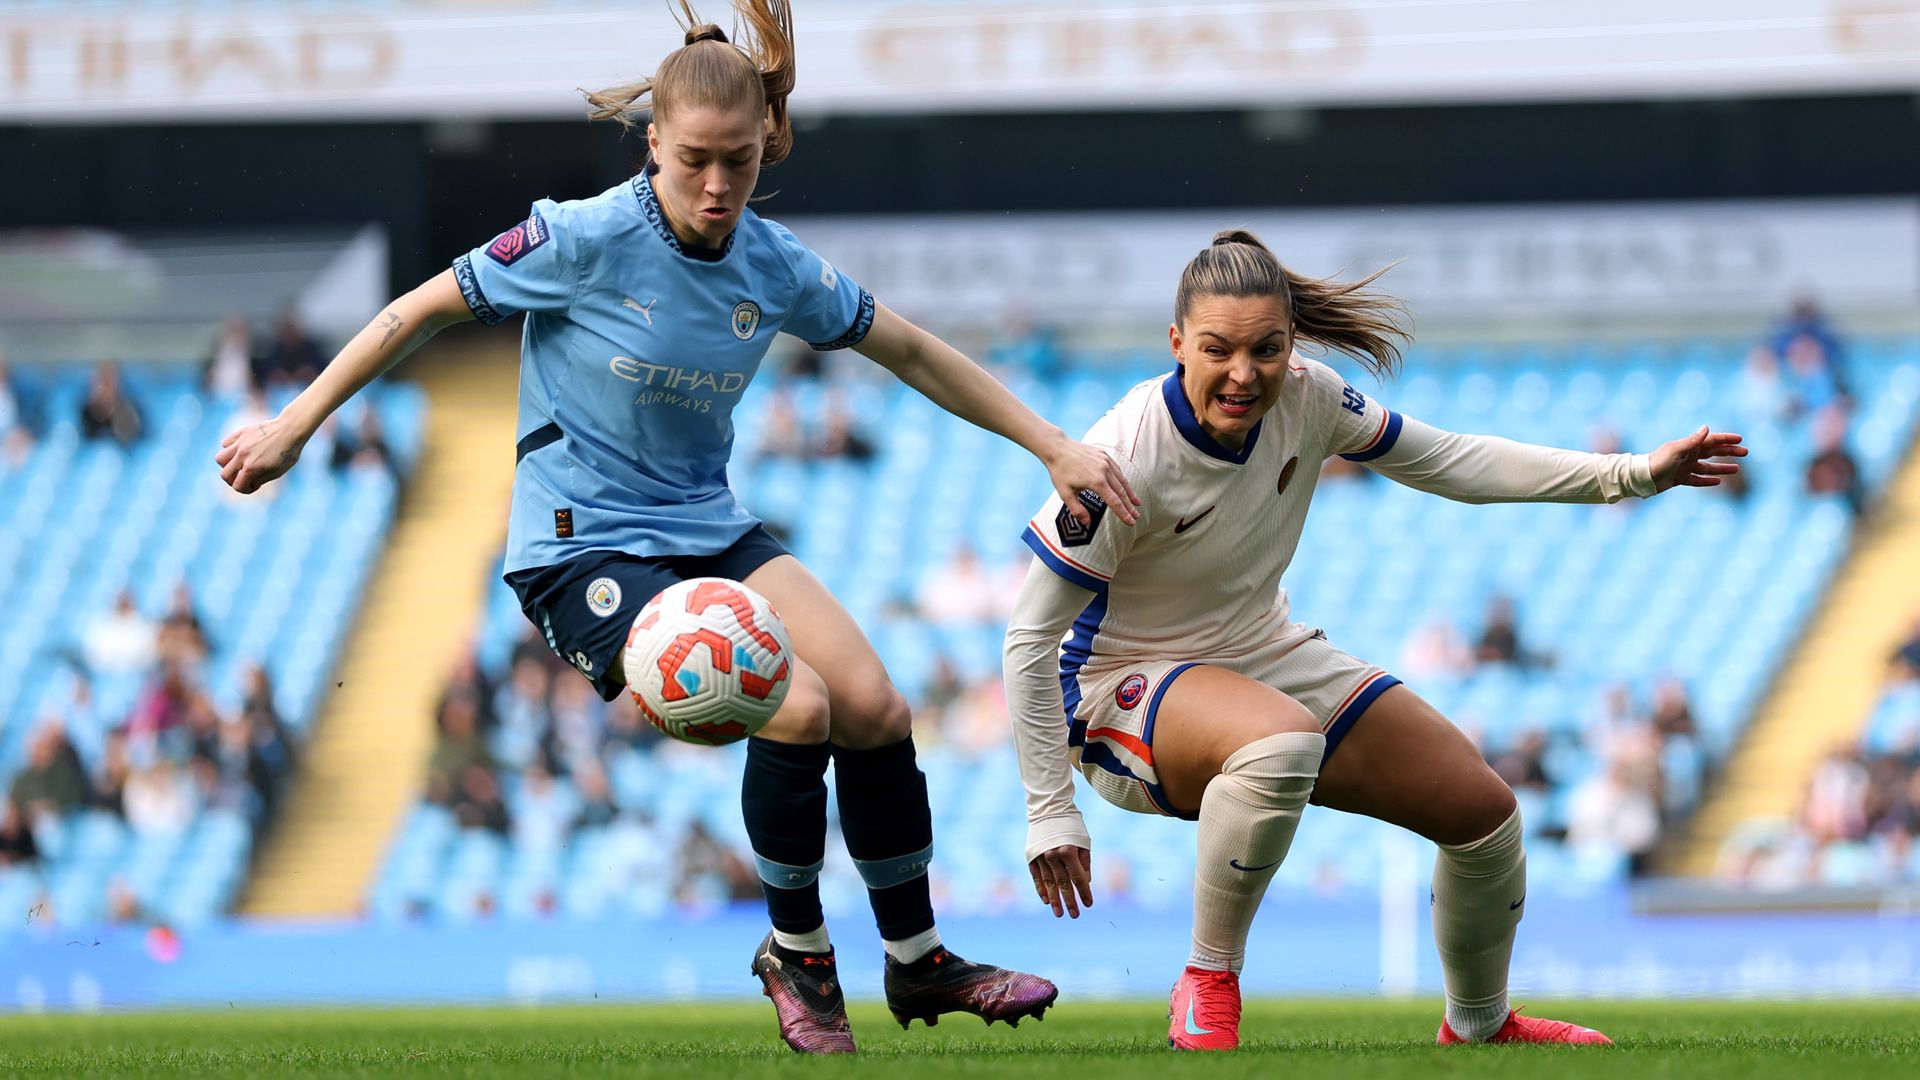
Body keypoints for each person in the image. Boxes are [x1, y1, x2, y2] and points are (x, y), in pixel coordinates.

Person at [214, 0, 1134, 1055]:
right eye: (694, 159)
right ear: (653, 141)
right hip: (579, 549)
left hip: (705, 527)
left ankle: (920, 963)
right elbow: (415, 310)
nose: (714, 188)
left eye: (737, 164)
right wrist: (292, 426)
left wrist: (1052, 445)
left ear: (762, 152)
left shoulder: (775, 264)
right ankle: (797, 951)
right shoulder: (582, 237)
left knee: (875, 706)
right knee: (798, 710)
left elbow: (913, 351)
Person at [1003, 230, 1745, 1051]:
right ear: (1177, 343)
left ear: (1292, 345)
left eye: (1266, 349)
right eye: (1217, 350)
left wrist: (1630, 474)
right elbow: (1030, 637)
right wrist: (1050, 812)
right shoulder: (1125, 453)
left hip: (1257, 648)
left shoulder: (1312, 398)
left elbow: (1452, 462)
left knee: (1484, 817)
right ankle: (1207, 979)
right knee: (1281, 743)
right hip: (1119, 685)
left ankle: (1478, 1026)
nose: (1243, 374)